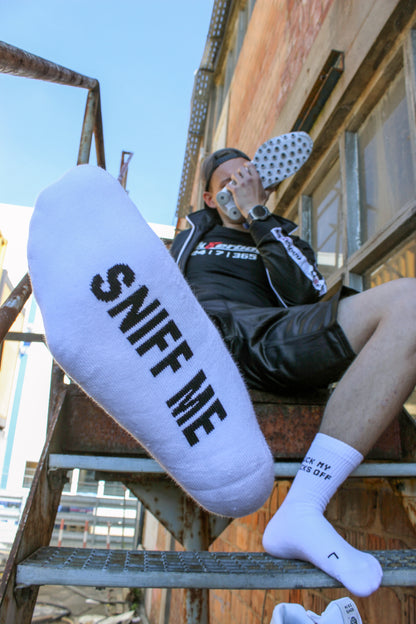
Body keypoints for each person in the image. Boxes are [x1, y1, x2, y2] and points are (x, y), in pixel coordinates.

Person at [170, 146, 416, 597]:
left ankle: (302, 507)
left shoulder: (277, 235)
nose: (236, 187)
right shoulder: (186, 243)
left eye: (246, 178)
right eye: (227, 182)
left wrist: (258, 215)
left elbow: (305, 293)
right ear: (208, 198)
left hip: (269, 340)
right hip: (198, 344)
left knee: (410, 304)